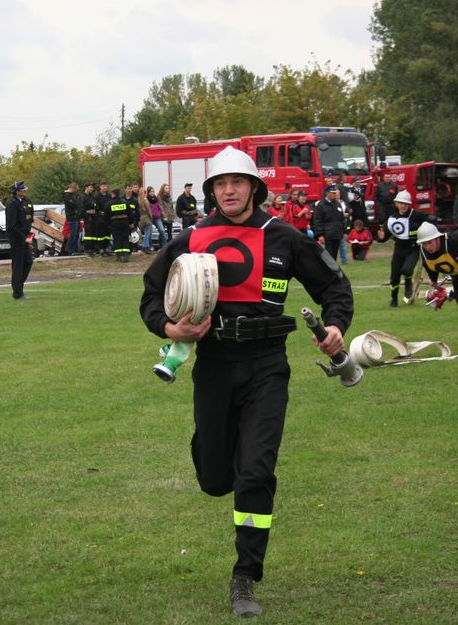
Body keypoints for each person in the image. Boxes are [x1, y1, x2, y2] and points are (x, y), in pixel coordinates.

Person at [140, 145, 353, 619]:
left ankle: (245, 576)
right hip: (213, 368)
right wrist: (170, 328)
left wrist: (336, 324)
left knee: (255, 472)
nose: (229, 190)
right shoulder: (192, 237)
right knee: (217, 477)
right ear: (212, 190)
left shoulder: (283, 237)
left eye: (237, 182)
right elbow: (151, 296)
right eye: (220, 183)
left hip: (266, 367)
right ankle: (216, 456)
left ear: (254, 187)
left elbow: (334, 286)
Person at [375, 190, 433, 306]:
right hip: (399, 249)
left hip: (413, 248)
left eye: (405, 204)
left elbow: (431, 219)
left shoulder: (416, 214)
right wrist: (380, 238)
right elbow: (384, 236)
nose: (403, 206)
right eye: (400, 203)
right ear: (396, 204)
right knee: (395, 276)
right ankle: (394, 299)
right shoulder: (392, 219)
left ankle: (408, 282)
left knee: (406, 270)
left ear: (409, 204)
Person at [5, 181, 34, 299]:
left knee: (28, 261)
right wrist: (24, 238)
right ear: (17, 191)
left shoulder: (27, 201)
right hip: (17, 238)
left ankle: (19, 285)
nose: (24, 192)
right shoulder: (12, 203)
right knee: (18, 265)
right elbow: (12, 225)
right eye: (22, 190)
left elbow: (30, 220)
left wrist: (29, 237)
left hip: (26, 237)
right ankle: (17, 292)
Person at [312, 185, 345, 260]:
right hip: (328, 234)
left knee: (334, 255)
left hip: (337, 233)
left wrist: (344, 231)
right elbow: (317, 221)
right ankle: (330, 270)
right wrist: (320, 235)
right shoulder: (321, 205)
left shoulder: (337, 204)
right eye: (333, 193)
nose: (335, 194)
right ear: (327, 193)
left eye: (335, 193)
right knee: (329, 255)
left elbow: (341, 219)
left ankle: (334, 270)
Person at [105, 187, 134, 262]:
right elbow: (130, 214)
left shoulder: (109, 204)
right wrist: (131, 222)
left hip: (114, 223)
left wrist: (108, 224)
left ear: (113, 194)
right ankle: (125, 255)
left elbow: (106, 215)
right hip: (125, 222)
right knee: (125, 238)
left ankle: (119, 256)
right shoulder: (125, 202)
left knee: (117, 239)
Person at [62, 181, 83, 255]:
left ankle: (76, 250)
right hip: (72, 218)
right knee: (72, 235)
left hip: (76, 218)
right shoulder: (67, 196)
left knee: (76, 235)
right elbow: (73, 205)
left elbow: (77, 204)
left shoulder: (72, 196)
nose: (76, 191)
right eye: (76, 189)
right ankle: (69, 250)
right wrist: (78, 205)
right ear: (72, 188)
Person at [81, 182, 98, 255]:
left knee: (93, 234)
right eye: (90, 187)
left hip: (94, 218)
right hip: (87, 218)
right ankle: (87, 249)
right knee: (88, 234)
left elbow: (96, 206)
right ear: (86, 188)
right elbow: (81, 209)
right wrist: (88, 212)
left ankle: (93, 249)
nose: (92, 189)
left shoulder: (92, 197)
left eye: (92, 187)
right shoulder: (82, 197)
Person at [138, 187, 155, 253]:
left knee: (145, 234)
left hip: (141, 220)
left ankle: (145, 246)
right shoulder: (145, 201)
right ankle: (145, 247)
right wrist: (151, 218)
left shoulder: (138, 201)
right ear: (144, 193)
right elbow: (149, 211)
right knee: (147, 234)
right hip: (147, 219)